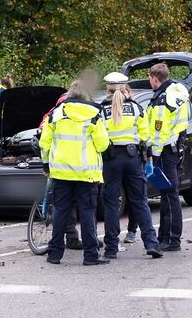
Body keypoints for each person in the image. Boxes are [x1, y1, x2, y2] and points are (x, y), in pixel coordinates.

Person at [40, 80, 110, 265]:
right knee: (87, 214)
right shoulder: (94, 114)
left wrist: (46, 165)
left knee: (60, 212)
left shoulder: (55, 114)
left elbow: (44, 143)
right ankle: (91, 256)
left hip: (61, 173)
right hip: (86, 174)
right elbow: (103, 144)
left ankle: (54, 254)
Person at [99, 72, 162, 259]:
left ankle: (111, 248)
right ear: (126, 88)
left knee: (111, 204)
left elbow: (99, 139)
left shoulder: (101, 110)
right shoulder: (136, 108)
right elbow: (146, 136)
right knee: (140, 201)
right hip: (133, 158)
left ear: (108, 89)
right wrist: (148, 160)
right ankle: (152, 243)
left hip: (110, 159)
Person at [146, 64, 189, 252]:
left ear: (155, 78)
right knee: (166, 194)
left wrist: (152, 154)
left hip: (163, 151)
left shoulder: (163, 99)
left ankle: (172, 239)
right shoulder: (176, 93)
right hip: (172, 149)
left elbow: (159, 131)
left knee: (169, 194)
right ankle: (165, 236)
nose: (149, 82)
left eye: (149, 78)